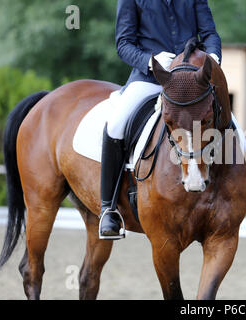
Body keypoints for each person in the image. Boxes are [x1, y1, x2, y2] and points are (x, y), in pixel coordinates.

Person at [99, 0, 222, 239]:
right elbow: (124, 44)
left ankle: (228, 191)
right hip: (150, 78)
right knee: (115, 125)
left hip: (191, 81)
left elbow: (209, 34)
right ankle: (109, 210)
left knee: (224, 119)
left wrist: (213, 60)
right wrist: (151, 60)